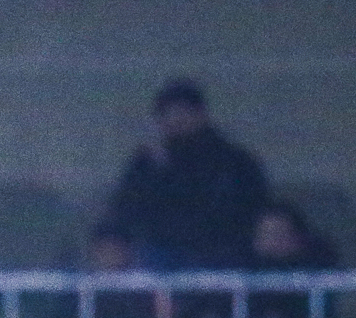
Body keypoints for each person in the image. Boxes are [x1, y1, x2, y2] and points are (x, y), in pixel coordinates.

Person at [103, 79, 269, 272]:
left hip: (222, 254)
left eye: (183, 112)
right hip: (161, 257)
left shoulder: (234, 162)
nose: (176, 120)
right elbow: (127, 208)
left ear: (201, 114)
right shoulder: (148, 163)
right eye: (168, 114)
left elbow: (250, 208)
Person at [249, 202, 339, 318]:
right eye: (266, 234)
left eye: (280, 234)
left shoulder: (316, 278)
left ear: (297, 238)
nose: (273, 242)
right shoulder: (243, 283)